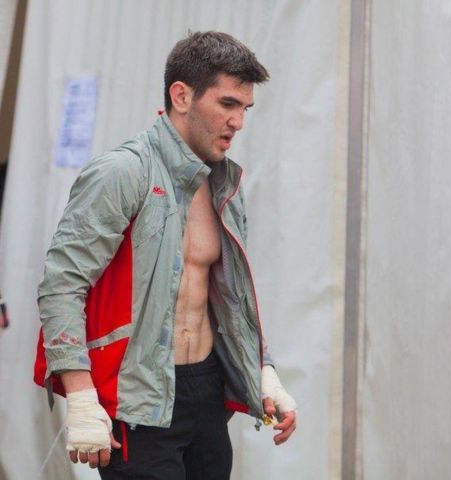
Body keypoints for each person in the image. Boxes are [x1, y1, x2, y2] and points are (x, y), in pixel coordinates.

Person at [34, 31, 297, 480]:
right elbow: (62, 284)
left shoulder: (225, 184)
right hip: (142, 401)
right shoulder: (123, 172)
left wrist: (263, 371)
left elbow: (230, 299)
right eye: (227, 104)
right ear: (181, 96)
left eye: (245, 109)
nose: (238, 122)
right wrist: (80, 395)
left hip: (207, 394)